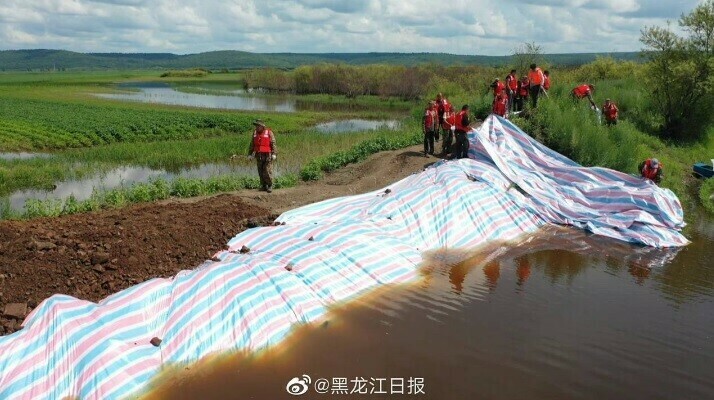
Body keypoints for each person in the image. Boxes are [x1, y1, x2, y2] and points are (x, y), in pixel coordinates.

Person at [247, 119, 277, 192]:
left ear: (262, 126)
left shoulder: (269, 132)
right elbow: (252, 144)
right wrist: (250, 154)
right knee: (260, 171)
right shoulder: (254, 133)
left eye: (258, 125)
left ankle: (270, 185)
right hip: (259, 155)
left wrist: (274, 153)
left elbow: (273, 143)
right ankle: (263, 185)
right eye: (256, 125)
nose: (256, 127)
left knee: (267, 170)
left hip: (267, 155)